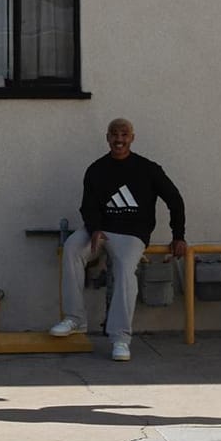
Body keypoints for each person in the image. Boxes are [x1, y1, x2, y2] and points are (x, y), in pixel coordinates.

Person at [49, 117, 186, 361]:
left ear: (132, 138)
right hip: (99, 230)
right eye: (114, 134)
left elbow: (174, 199)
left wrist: (179, 236)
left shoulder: (148, 168)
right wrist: (94, 229)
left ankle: (120, 338)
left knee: (124, 270)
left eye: (124, 135)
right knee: (71, 247)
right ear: (108, 138)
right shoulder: (96, 169)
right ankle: (75, 319)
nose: (119, 140)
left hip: (131, 233)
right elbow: (88, 206)